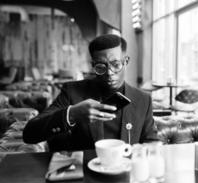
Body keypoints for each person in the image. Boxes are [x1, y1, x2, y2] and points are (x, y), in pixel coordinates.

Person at [23, 34, 158, 151]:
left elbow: (152, 142)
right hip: (85, 174)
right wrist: (73, 114)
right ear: (93, 65)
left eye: (116, 64)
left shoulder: (143, 100)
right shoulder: (72, 92)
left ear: (126, 61)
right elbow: (29, 134)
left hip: (127, 174)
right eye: (100, 67)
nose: (109, 73)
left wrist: (140, 153)